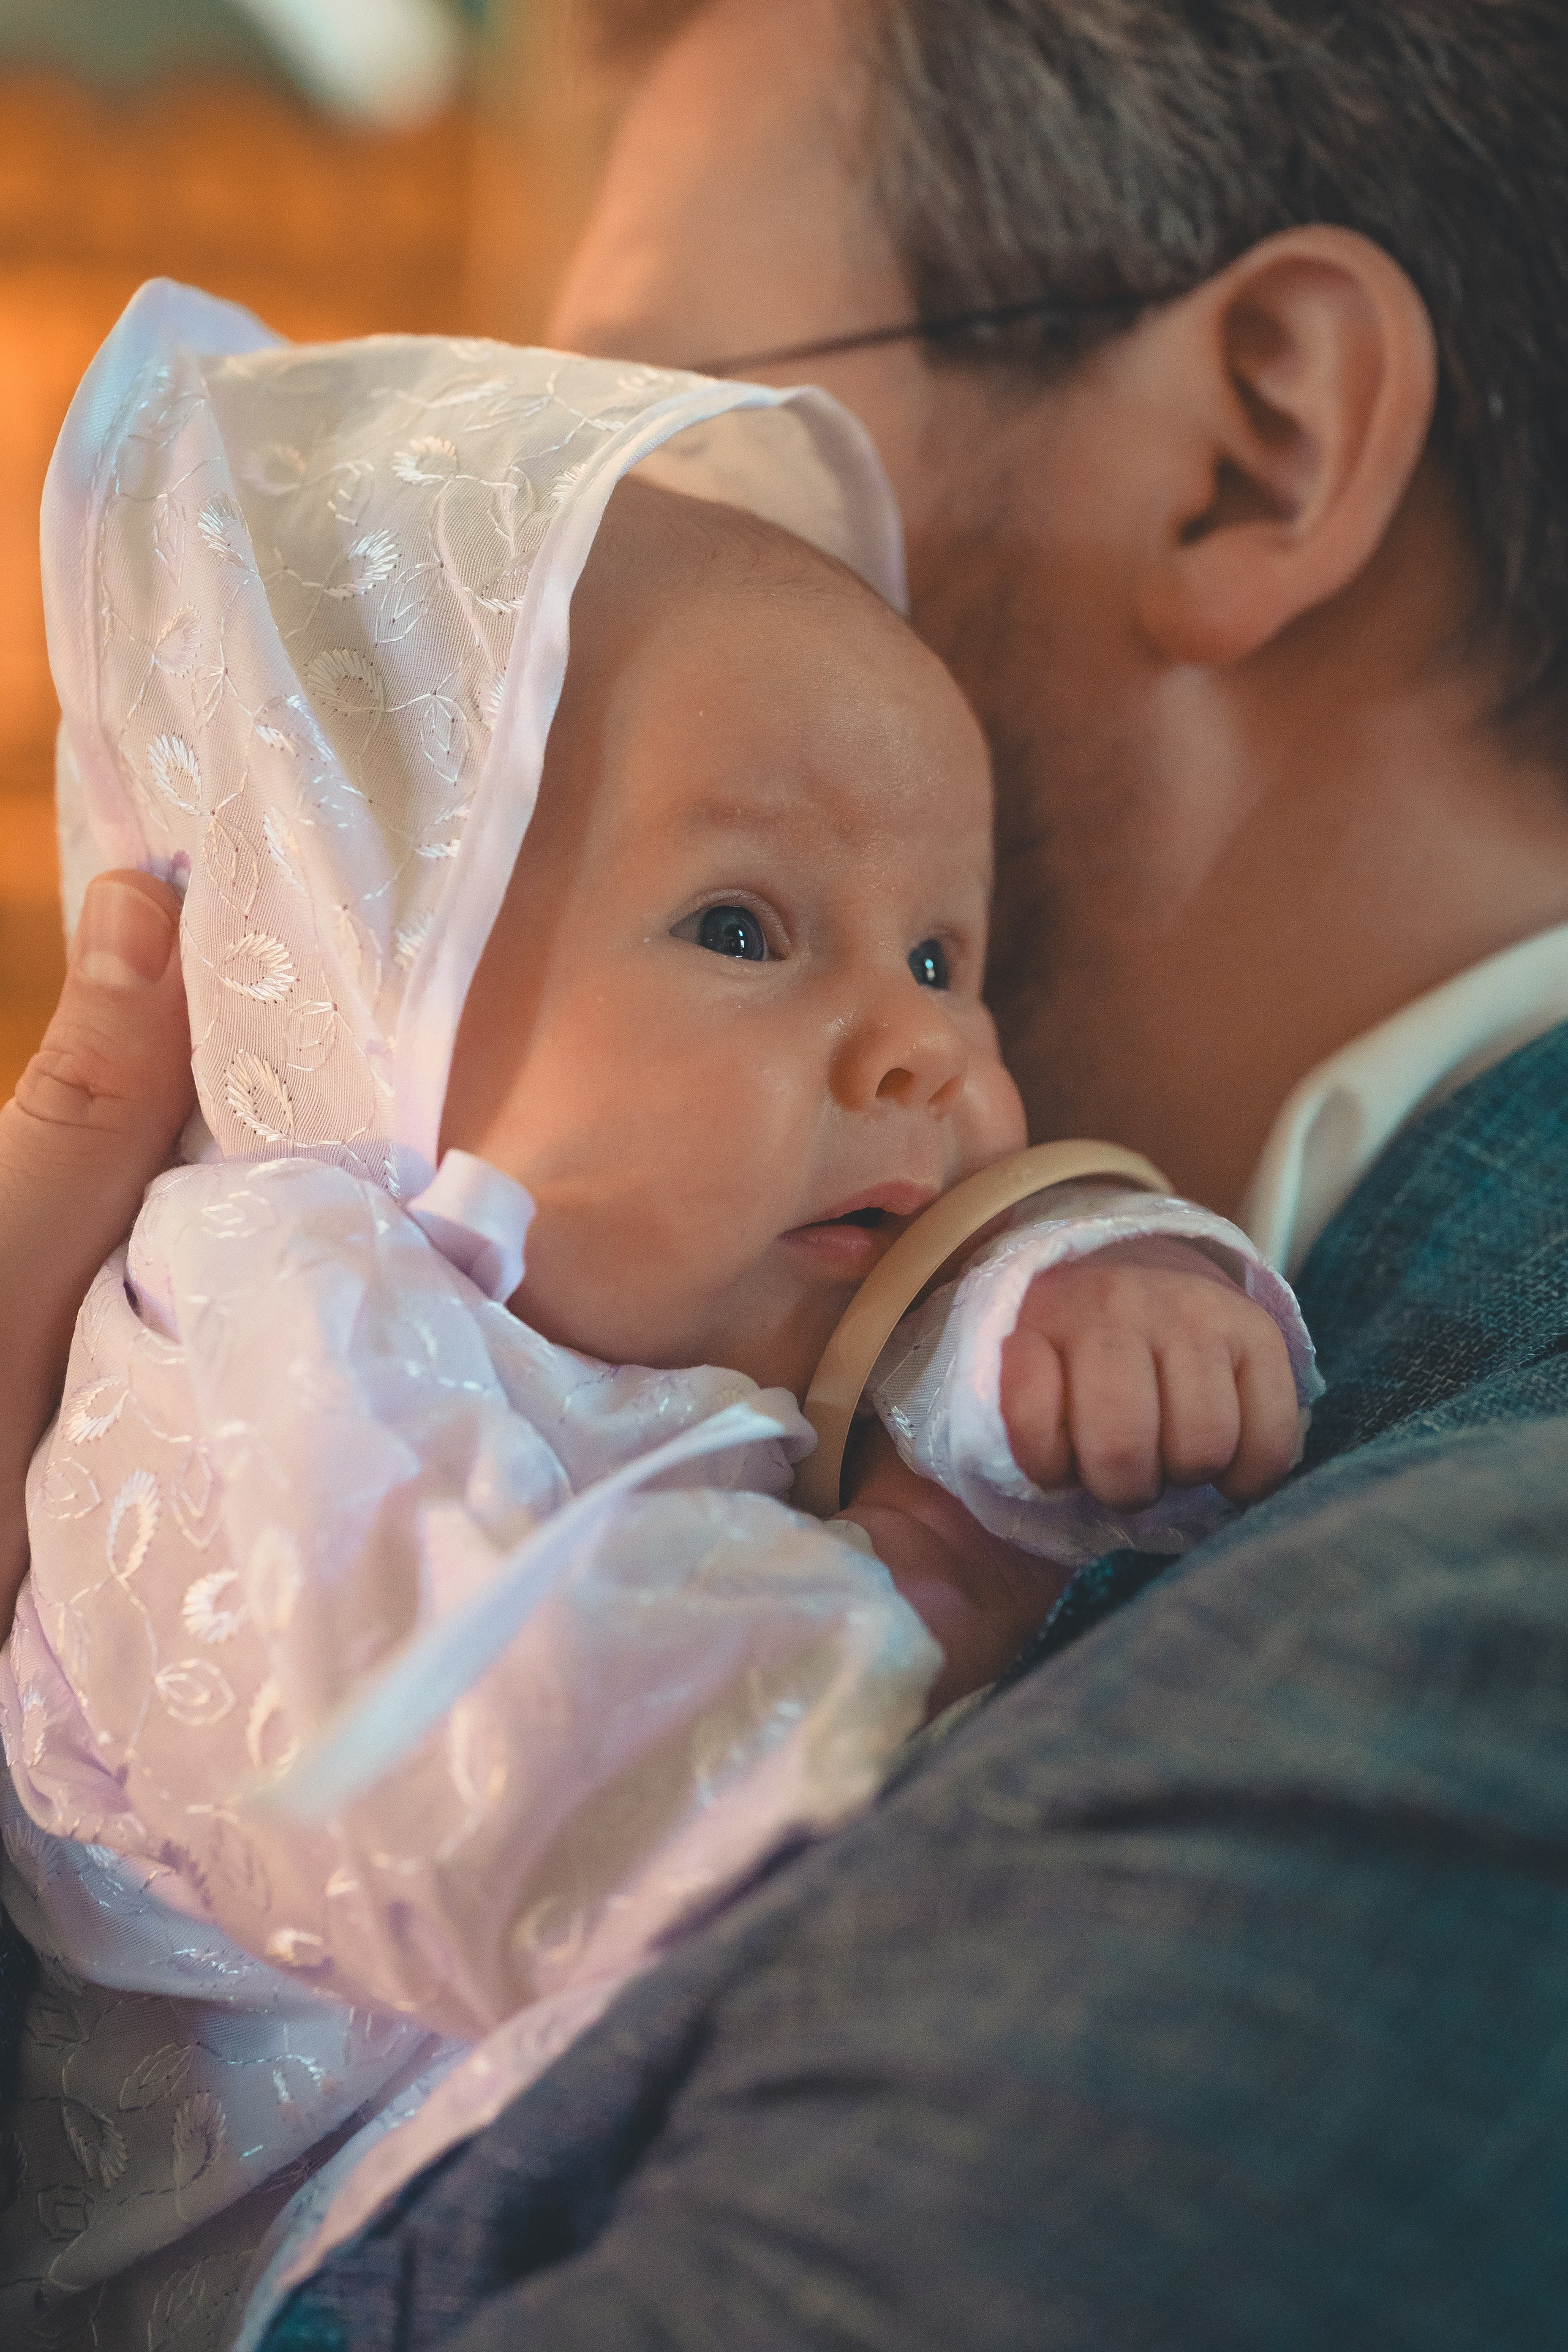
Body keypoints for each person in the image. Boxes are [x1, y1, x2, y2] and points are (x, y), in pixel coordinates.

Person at [4, 0, 1568, 2343]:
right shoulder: (409, 1311)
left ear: (1257, 446)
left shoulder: (1457, 1668)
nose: (547, 624)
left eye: (679, 439)